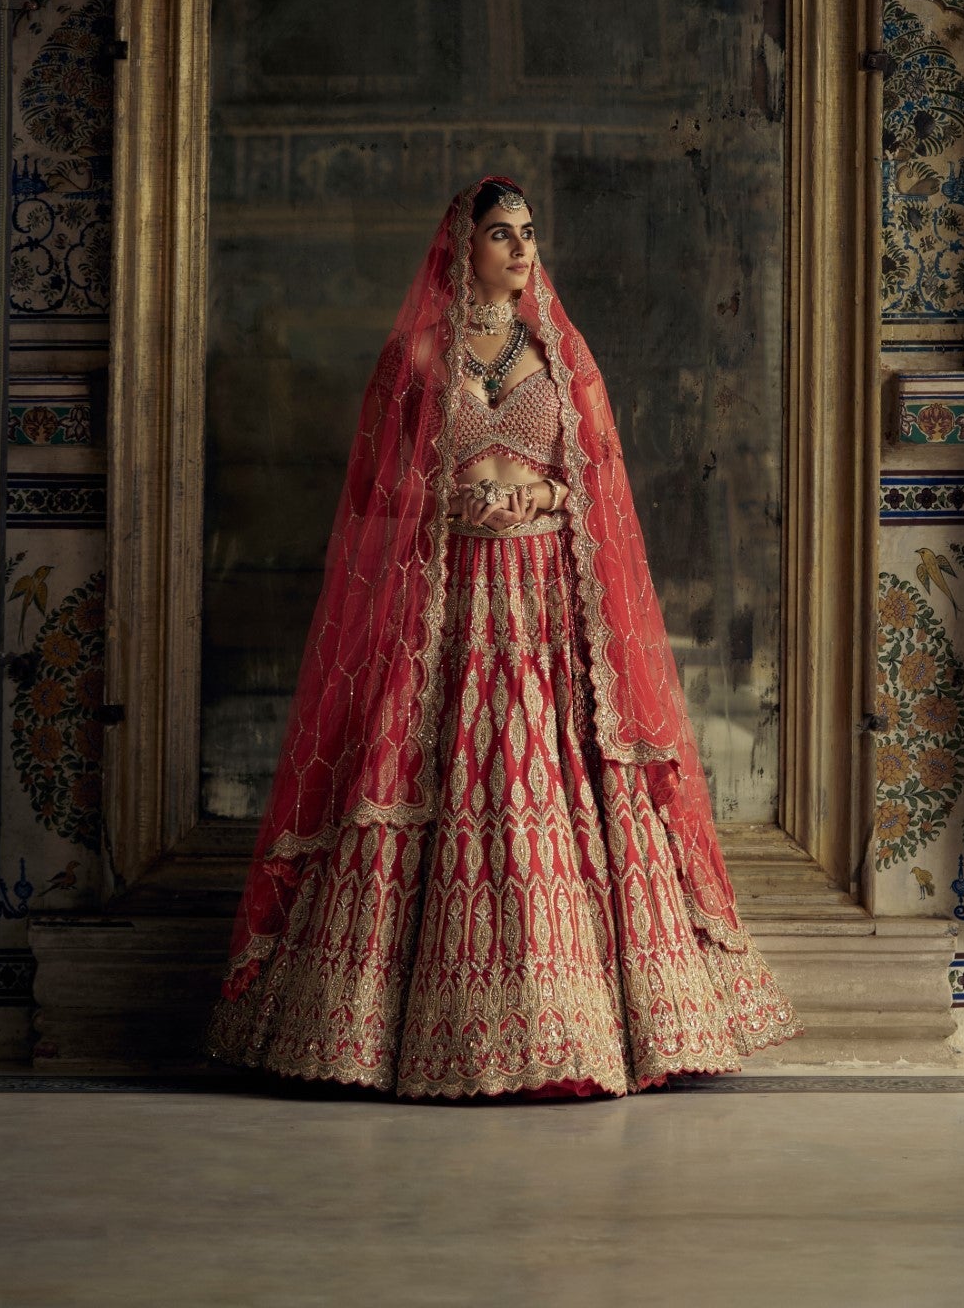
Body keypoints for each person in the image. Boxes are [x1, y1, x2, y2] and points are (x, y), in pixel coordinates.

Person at [208, 176, 798, 1097]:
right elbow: (379, 497)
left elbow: (595, 477)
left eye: (528, 234)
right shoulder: (417, 355)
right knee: (437, 771)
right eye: (501, 234)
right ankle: (383, 1033)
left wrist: (543, 495)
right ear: (461, 247)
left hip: (542, 609)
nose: (521, 250)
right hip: (449, 606)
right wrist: (452, 501)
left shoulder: (563, 357)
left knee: (545, 772)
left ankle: (581, 1029)